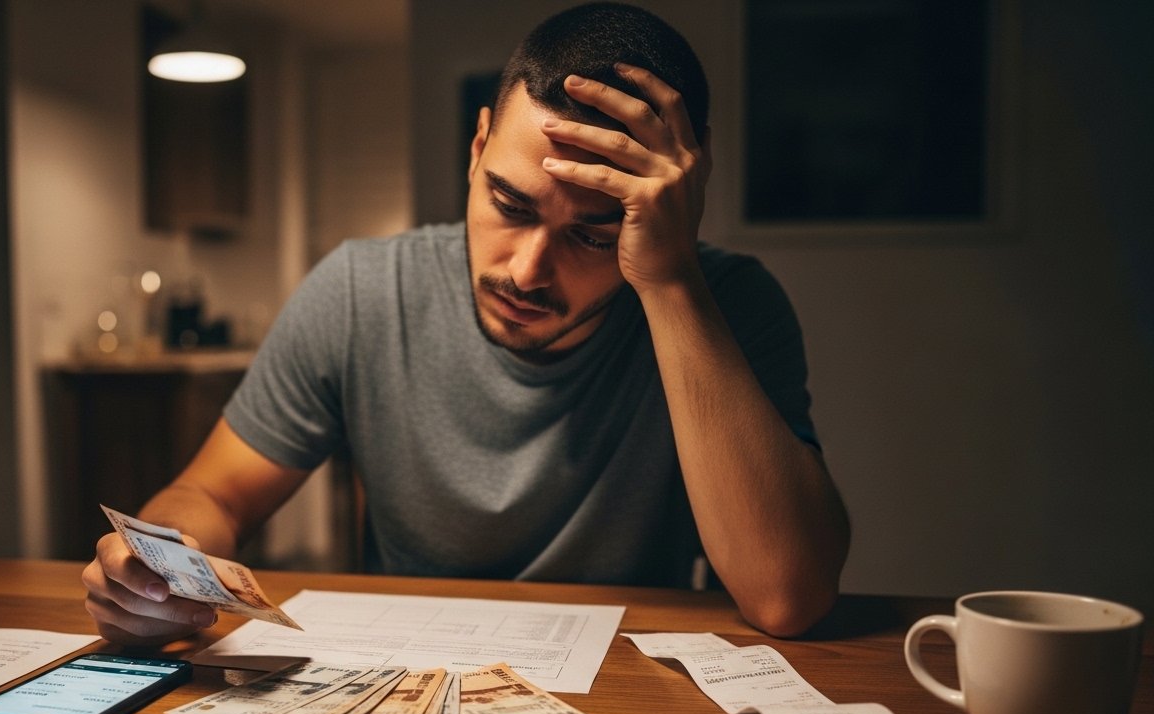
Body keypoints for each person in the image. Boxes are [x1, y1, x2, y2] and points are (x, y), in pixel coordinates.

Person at [83, 1, 850, 643]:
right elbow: (215, 496)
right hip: (399, 681)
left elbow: (788, 596)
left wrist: (671, 277)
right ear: (478, 147)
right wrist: (158, 570)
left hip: (629, 692)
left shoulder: (728, 303)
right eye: (510, 205)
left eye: (593, 233)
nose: (525, 270)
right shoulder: (361, 289)